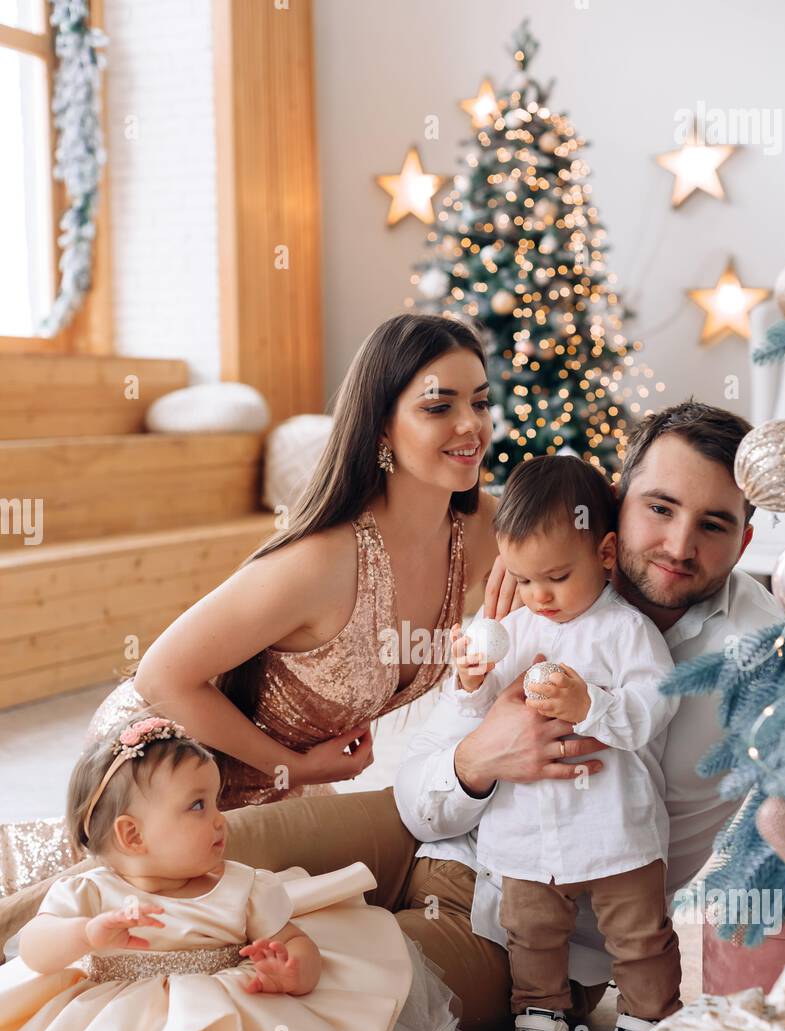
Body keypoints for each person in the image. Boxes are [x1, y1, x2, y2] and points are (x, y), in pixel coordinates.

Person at [0, 402, 785, 1031]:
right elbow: (420, 781)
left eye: (713, 524)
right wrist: (479, 757)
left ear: (747, 540)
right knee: (176, 856)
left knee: (289, 974)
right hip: (419, 825)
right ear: (616, 506)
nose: (679, 545)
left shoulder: (770, 654)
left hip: (528, 929)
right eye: (659, 509)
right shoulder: (540, 582)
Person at [0, 312, 502, 896]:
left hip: (280, 778)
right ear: (381, 429)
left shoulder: (487, 529)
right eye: (438, 407)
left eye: (481, 402)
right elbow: (162, 675)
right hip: (172, 765)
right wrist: (302, 768)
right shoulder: (323, 560)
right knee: (120, 932)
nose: (471, 426)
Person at [0, 718, 461, 1031]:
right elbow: (35, 949)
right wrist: (87, 934)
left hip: (221, 1019)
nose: (220, 818)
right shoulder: (88, 891)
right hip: (110, 1023)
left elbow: (298, 941)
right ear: (132, 836)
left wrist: (291, 970)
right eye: (198, 806)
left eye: (216, 800)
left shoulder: (242, 886)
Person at [446, 455, 681, 1031]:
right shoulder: (516, 630)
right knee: (531, 932)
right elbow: (478, 715)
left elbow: (653, 708)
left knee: (638, 933)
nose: (538, 596)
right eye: (523, 580)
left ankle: (647, 1021)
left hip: (613, 826)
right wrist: (468, 680)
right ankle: (541, 1021)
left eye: (555, 577)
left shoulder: (623, 632)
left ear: (606, 553)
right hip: (529, 830)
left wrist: (591, 705)